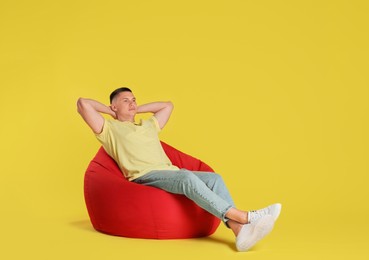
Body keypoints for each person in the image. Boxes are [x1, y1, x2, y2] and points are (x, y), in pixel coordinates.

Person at [77, 87, 282, 251]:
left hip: (169, 172)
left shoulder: (147, 125)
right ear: (113, 106)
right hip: (145, 176)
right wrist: (111, 110)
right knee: (186, 177)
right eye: (126, 101)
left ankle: (239, 232)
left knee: (214, 179)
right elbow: (82, 104)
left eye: (134, 100)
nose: (132, 103)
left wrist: (134, 110)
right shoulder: (109, 130)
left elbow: (167, 106)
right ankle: (244, 217)